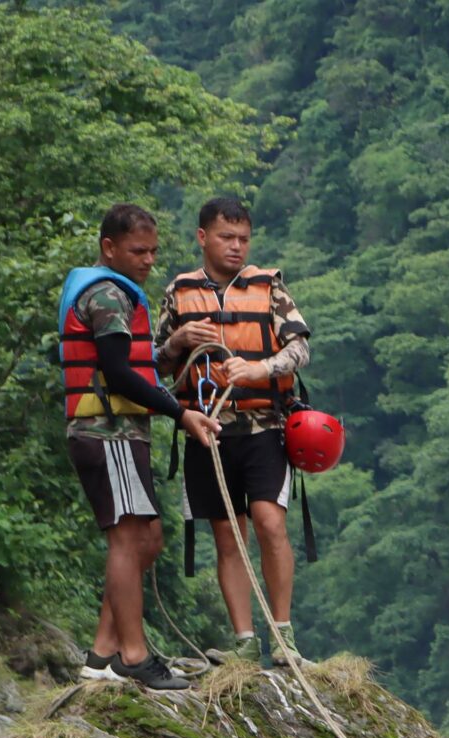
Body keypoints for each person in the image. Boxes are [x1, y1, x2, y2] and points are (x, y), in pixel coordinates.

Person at [60, 202, 218, 693]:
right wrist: (181, 412)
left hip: (124, 436)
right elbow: (120, 372)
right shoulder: (107, 293)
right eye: (137, 251)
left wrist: (171, 349)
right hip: (107, 436)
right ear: (109, 248)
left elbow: (135, 357)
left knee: (148, 538)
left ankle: (103, 652)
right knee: (129, 538)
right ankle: (134, 654)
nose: (148, 260)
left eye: (153, 251)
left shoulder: (118, 295)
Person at [159, 195, 311, 668]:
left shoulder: (269, 287)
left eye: (244, 239)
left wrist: (261, 369)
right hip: (207, 429)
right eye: (227, 237)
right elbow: (154, 362)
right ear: (203, 237)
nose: (236, 247)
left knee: (270, 523)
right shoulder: (179, 294)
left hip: (264, 426)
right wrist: (178, 341)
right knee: (228, 537)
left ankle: (283, 637)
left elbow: (299, 349)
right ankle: (245, 642)